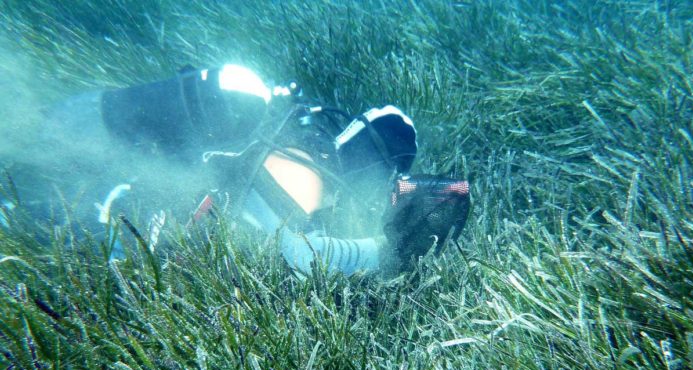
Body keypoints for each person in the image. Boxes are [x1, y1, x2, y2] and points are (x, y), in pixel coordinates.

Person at [31, 63, 471, 275]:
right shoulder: (308, 166)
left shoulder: (296, 150)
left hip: (113, 199)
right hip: (103, 226)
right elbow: (299, 259)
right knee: (31, 207)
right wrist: (385, 252)